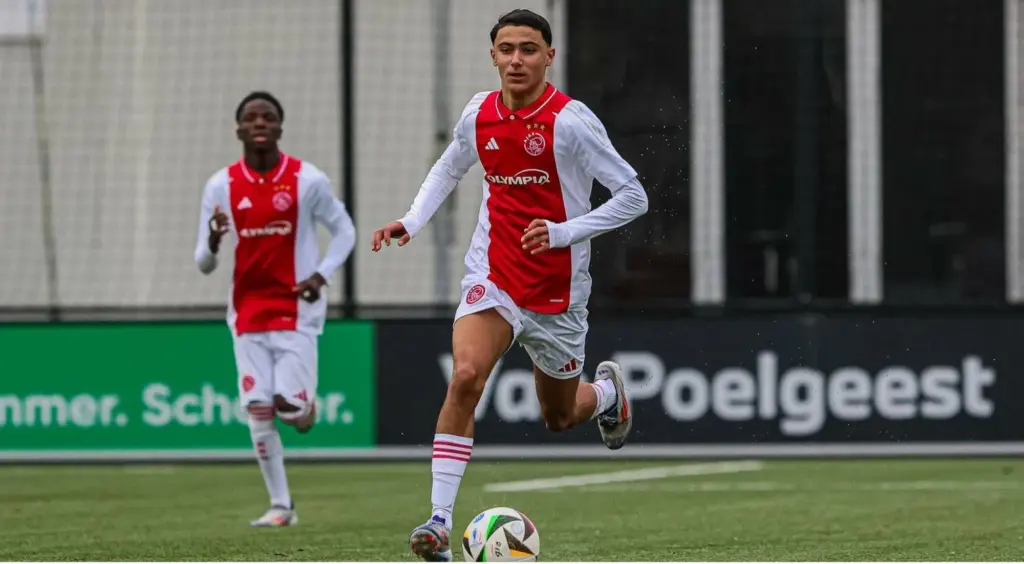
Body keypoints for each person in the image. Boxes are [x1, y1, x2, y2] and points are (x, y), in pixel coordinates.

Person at [370, 9, 649, 561]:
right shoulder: (479, 113)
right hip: (494, 277)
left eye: (528, 49)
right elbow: (450, 167)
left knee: (559, 417)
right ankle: (438, 523)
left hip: (560, 293)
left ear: (549, 56)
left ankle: (607, 395)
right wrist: (412, 220)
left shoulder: (571, 122)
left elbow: (633, 197)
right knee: (465, 376)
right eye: (506, 49)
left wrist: (564, 232)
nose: (516, 59)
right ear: (493, 56)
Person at [194, 91, 356, 527]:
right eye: (251, 118)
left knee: (288, 410)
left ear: (280, 127)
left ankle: (302, 411)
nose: (260, 123)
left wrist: (320, 275)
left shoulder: (308, 180)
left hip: (296, 309)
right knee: (258, 408)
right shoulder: (220, 186)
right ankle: (281, 506)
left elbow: (345, 231)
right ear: (239, 130)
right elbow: (203, 262)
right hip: (247, 312)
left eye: (268, 117)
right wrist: (213, 240)